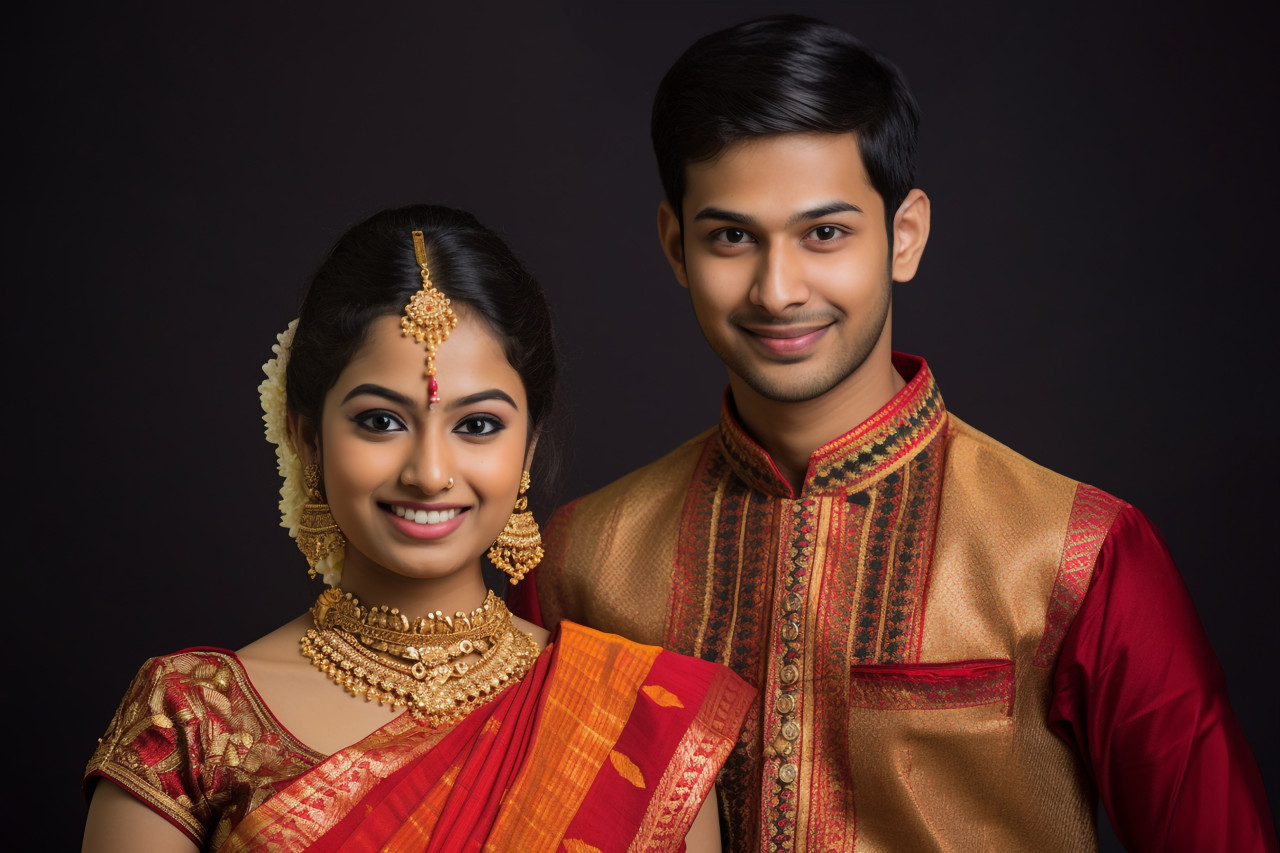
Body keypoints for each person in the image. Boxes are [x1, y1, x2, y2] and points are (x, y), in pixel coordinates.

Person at [511, 14, 1278, 853]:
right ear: (674, 247)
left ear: (903, 236)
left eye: (825, 233)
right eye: (732, 236)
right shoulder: (579, 563)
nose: (777, 288)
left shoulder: (1076, 554)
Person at [82, 204, 754, 852]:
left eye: (478, 425)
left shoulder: (640, 724)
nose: (430, 472)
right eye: (381, 421)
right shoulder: (191, 718)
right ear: (306, 435)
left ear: (529, 441)